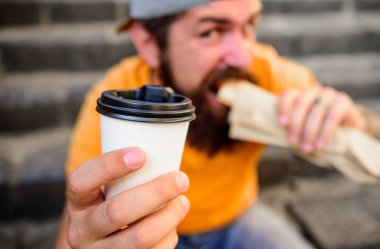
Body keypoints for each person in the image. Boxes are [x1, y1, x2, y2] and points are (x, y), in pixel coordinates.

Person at [54, 0, 366, 248]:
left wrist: (352, 121)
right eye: (211, 32)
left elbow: (362, 132)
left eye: (248, 27)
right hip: (143, 233)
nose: (242, 56)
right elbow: (79, 221)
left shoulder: (266, 73)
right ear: (148, 42)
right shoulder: (113, 107)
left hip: (237, 219)